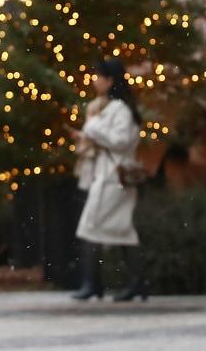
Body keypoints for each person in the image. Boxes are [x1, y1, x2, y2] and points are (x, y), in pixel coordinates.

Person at [70, 57, 146, 303]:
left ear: (110, 80)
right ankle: (134, 283)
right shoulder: (113, 107)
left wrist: (91, 130)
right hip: (109, 176)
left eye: (99, 76)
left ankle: (93, 283)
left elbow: (120, 140)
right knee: (122, 231)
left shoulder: (119, 109)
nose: (94, 80)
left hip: (114, 178)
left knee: (92, 227)